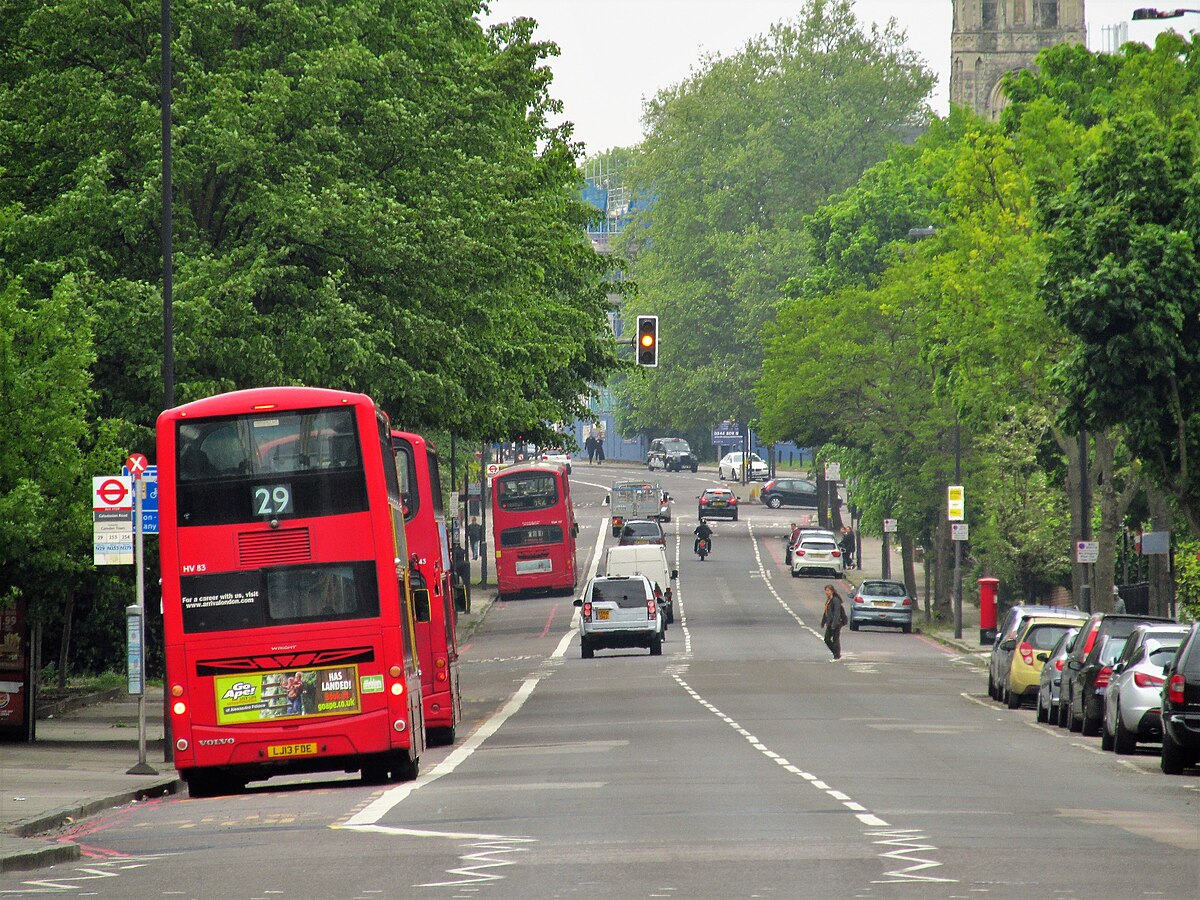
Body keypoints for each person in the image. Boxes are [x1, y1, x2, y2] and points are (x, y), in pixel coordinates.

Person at [821, 584, 848, 660]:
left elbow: (837, 613)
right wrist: (823, 621)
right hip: (830, 623)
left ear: (832, 591)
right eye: (826, 590)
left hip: (836, 623)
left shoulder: (836, 600)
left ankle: (836, 655)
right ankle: (836, 653)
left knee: (835, 639)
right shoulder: (829, 600)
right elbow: (826, 611)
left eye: (828, 590)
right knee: (827, 639)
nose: (826, 592)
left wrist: (834, 624)